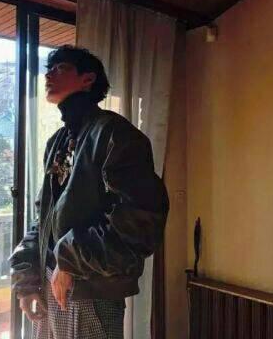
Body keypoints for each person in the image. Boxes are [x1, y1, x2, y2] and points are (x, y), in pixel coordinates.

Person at [9, 45, 169, 339]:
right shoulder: (58, 141)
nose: (49, 74)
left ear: (88, 79)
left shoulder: (116, 133)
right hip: (50, 282)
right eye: (48, 69)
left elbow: (140, 223)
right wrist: (28, 282)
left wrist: (71, 261)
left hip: (92, 287)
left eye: (60, 68)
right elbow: (43, 219)